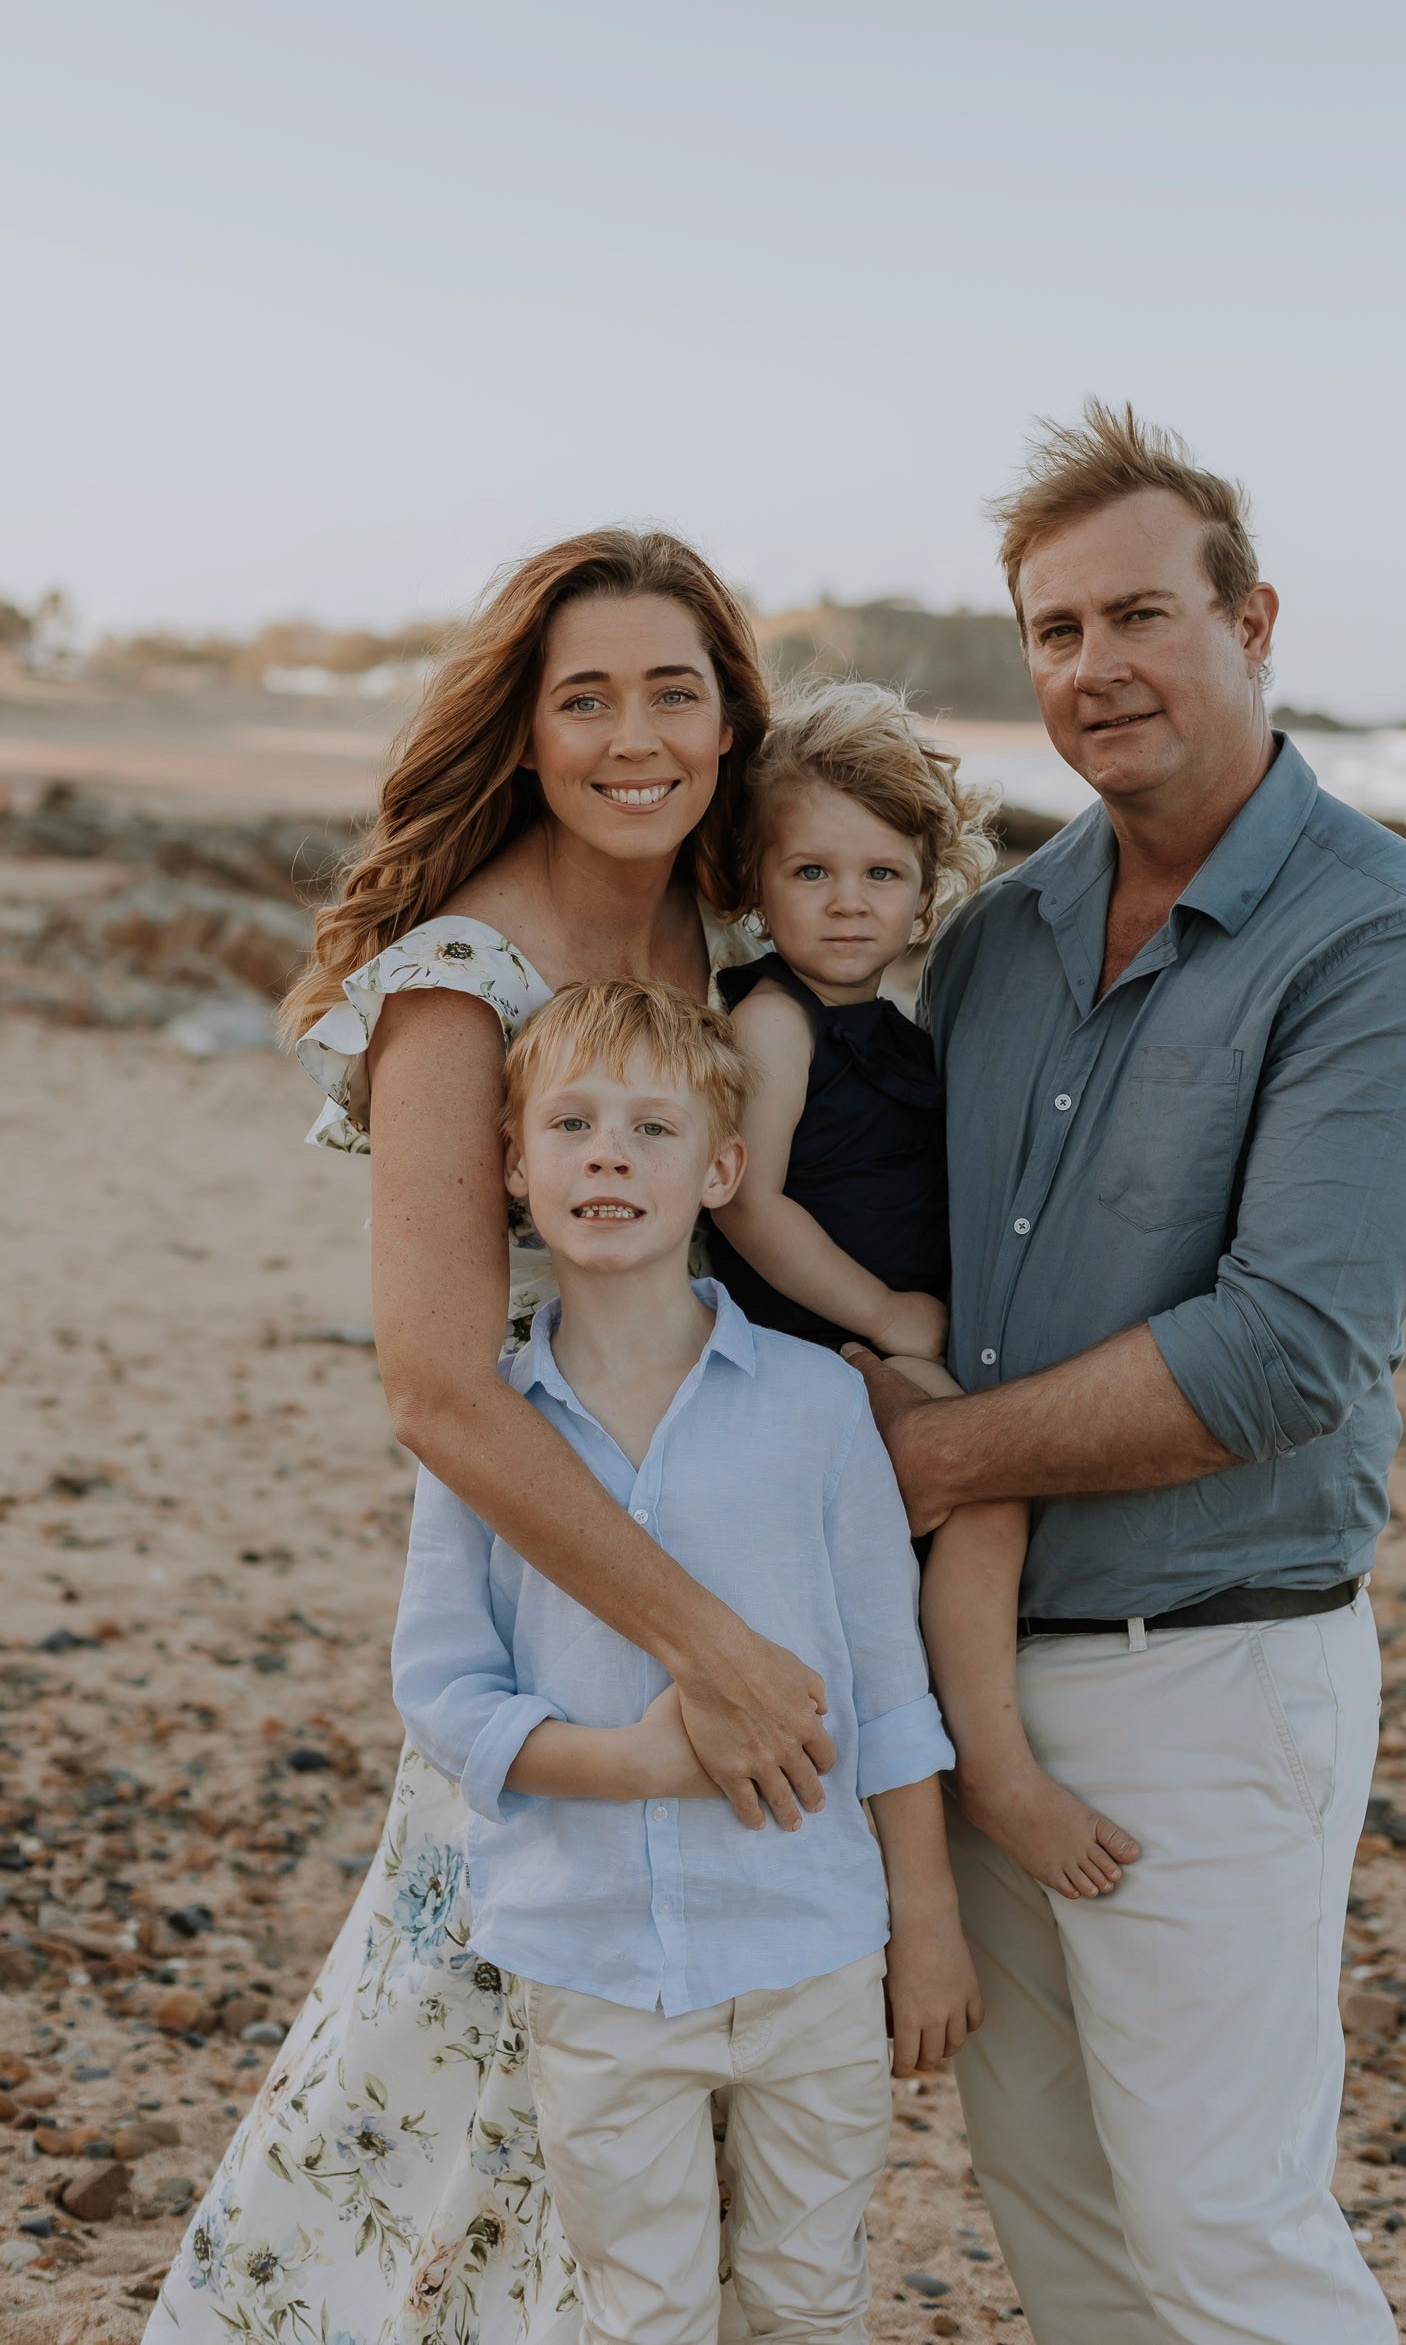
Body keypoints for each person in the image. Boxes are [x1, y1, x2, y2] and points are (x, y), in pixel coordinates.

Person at [850, 403, 1406, 2345]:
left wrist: (926, 1458)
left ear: (1255, 620)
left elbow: (1284, 1349)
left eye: (1140, 611)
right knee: (1059, 2217)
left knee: (1229, 2232)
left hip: (1212, 1678)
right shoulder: (989, 943)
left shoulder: (1397, 945)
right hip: (969, 1691)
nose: (1091, 668)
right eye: (1052, 631)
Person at [148, 532, 835, 2344]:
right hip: (550, 1581)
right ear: (524, 738)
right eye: (582, 697)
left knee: (678, 2130)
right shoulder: (458, 984)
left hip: (734, 1527)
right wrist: (718, 1652)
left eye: (672, 692)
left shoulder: (738, 934)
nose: (633, 735)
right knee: (458, 2054)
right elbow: (437, 1387)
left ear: (726, 719)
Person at [394, 976, 978, 2344]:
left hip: (812, 1950)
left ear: (722, 1170)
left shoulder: (820, 1407)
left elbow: (889, 1688)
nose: (609, 1153)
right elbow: (442, 1690)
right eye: (574, 1123)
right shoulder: (486, 1426)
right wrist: (630, 1762)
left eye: (654, 1130)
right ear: (511, 1163)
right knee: (642, 2306)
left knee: (807, 2296)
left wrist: (930, 1925)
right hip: (592, 1962)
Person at [707, 678, 1139, 1901]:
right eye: (812, 874)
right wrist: (884, 1316)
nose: (849, 903)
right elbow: (749, 1199)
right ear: (755, 879)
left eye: (882, 875)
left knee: (972, 1518)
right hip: (813, 1336)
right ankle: (994, 1770)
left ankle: (945, 1733)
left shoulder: (900, 1021)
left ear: (926, 887)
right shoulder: (776, 1022)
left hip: (871, 1330)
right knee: (987, 1491)